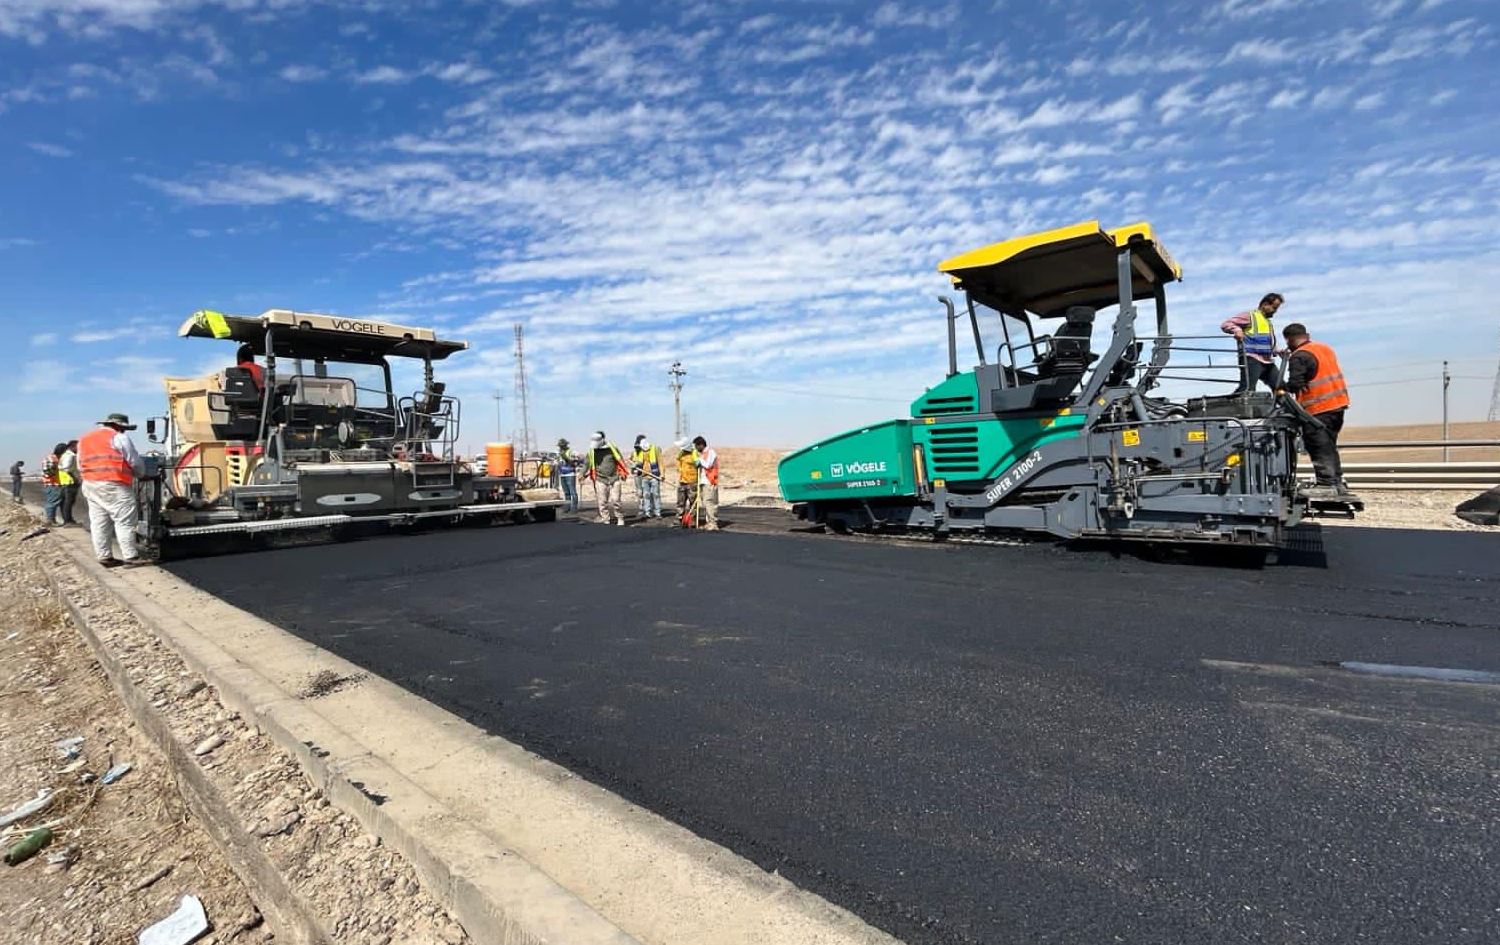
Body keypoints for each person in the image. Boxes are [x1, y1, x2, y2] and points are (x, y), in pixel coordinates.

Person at [1280, 323, 1351, 498]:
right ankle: (1337, 483)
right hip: (1337, 405)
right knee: (1329, 446)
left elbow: (1296, 383)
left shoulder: (1299, 356)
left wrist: (1281, 388)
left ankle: (1327, 484)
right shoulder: (1323, 348)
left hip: (1318, 409)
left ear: (1289, 339)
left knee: (1318, 446)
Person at [79, 412, 148, 567]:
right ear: (119, 426)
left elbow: (79, 464)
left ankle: (104, 556)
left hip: (90, 485)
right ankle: (131, 557)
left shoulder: (84, 440)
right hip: (114, 484)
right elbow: (134, 461)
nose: (124, 431)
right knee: (124, 520)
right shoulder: (119, 437)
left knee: (99, 522)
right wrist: (141, 474)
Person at [1221, 292, 1284, 392]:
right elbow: (1226, 324)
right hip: (1251, 359)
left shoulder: (1267, 322)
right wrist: (1237, 330)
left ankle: (1286, 407)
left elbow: (1266, 342)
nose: (1275, 311)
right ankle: (1228, 406)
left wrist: (1277, 351)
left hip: (1267, 361)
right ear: (1265, 304)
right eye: (1274, 307)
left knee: (1281, 388)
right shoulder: (1249, 316)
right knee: (1247, 389)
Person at [586, 431, 628, 526]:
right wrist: (581, 474)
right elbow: (587, 463)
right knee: (602, 501)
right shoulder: (592, 451)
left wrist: (622, 472)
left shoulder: (612, 449)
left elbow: (620, 460)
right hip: (601, 479)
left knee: (616, 500)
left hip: (614, 478)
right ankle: (605, 519)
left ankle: (620, 517)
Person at [631, 435, 663, 518]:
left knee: (656, 494)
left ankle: (657, 512)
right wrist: (635, 468)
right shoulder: (640, 452)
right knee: (646, 495)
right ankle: (647, 512)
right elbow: (638, 463)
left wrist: (662, 474)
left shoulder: (655, 449)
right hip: (644, 476)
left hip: (654, 476)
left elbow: (660, 463)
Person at [693, 435, 720, 531]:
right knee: (705, 503)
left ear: (701, 445)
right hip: (704, 481)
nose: (696, 449)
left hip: (710, 481)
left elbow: (708, 465)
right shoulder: (703, 454)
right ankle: (708, 523)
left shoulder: (710, 452)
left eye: (696, 446)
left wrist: (699, 460)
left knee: (710, 503)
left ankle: (713, 523)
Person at [41, 444, 65, 526]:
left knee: (52, 501)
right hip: (52, 483)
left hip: (52, 483)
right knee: (52, 502)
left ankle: (52, 520)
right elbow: (48, 472)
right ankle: (50, 520)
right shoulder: (52, 459)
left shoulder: (53, 458)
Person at [58, 439, 80, 525]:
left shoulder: (65, 455)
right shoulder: (70, 456)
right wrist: (75, 478)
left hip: (65, 480)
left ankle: (68, 519)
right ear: (73, 447)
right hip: (69, 480)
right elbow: (66, 468)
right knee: (68, 502)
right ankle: (68, 520)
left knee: (65, 502)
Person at [674, 439, 697, 522]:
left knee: (693, 502)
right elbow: (679, 465)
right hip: (682, 481)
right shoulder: (681, 454)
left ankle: (692, 520)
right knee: (680, 502)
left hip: (692, 482)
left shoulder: (695, 454)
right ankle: (679, 518)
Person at [556, 438, 579, 512]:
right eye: (560, 446)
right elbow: (559, 462)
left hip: (570, 474)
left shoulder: (571, 452)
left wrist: (565, 457)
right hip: (562, 475)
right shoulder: (559, 453)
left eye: (562, 446)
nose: (560, 447)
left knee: (572, 492)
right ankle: (567, 506)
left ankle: (574, 508)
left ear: (565, 445)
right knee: (566, 492)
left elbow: (574, 463)